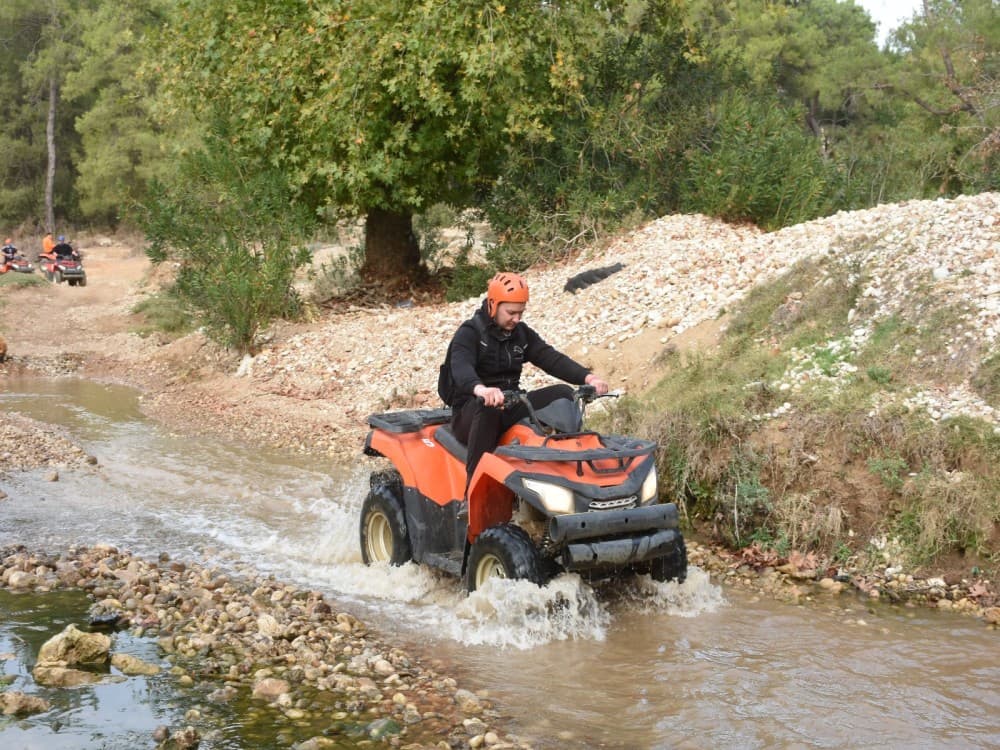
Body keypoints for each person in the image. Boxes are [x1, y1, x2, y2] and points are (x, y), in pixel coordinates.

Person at [445, 271, 609, 484]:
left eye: (521, 313)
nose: (516, 319)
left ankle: (572, 465)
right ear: (493, 305)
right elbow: (461, 368)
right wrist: (481, 390)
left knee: (564, 394)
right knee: (489, 409)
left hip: (511, 402)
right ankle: (473, 484)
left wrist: (588, 378)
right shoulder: (469, 333)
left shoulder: (520, 333)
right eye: (511, 312)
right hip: (472, 410)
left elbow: (550, 358)